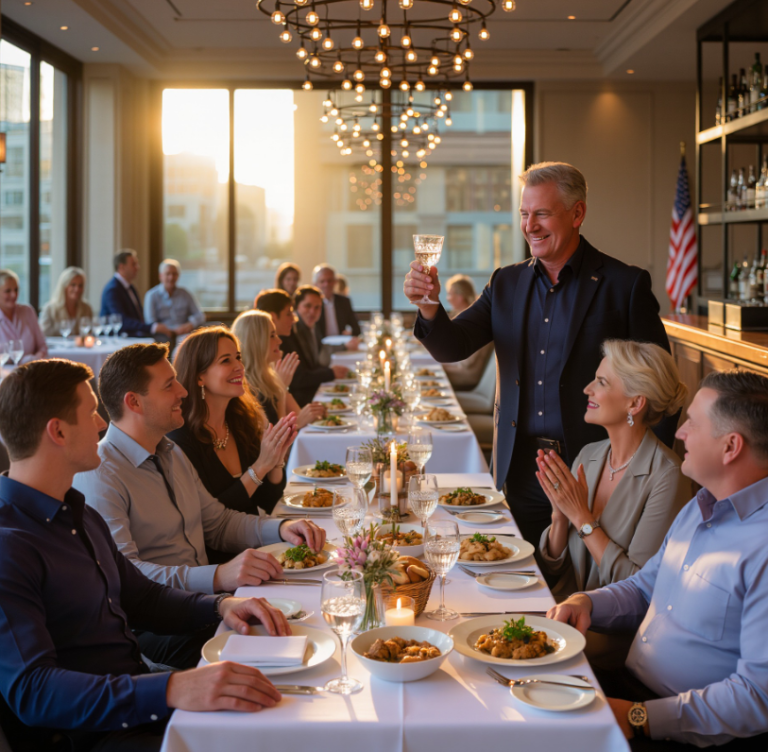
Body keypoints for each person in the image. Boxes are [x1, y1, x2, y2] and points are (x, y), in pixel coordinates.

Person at [0, 358, 291, 752]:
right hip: (95, 733)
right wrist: (171, 687)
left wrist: (219, 606)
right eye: (91, 414)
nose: (103, 424)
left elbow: (142, 596)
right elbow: (33, 692)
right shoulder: (10, 544)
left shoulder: (77, 510)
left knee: (280, 692)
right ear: (58, 432)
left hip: (138, 690)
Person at [403, 161, 673, 547]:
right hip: (519, 469)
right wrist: (428, 306)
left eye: (542, 214)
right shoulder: (506, 282)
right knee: (521, 579)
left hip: (596, 470)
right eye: (524, 214)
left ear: (577, 213)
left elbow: (662, 386)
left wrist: (649, 475)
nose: (530, 226)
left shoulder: (624, 285)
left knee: (591, 588)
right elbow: (453, 346)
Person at [549, 370, 768, 750]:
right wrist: (587, 602)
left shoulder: (761, 547)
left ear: (730, 446)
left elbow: (756, 698)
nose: (680, 432)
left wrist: (640, 718)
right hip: (628, 690)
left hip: (680, 731)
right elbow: (644, 587)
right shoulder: (700, 507)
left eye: (693, 424)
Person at [74, 343, 325, 669]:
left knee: (303, 620)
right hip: (156, 626)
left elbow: (217, 523)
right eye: (169, 385)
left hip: (207, 605)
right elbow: (130, 576)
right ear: (134, 402)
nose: (182, 391)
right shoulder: (101, 474)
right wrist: (218, 576)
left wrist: (280, 528)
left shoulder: (169, 452)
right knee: (277, 650)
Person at [536, 340, 690, 602]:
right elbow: (554, 566)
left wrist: (582, 518)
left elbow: (637, 589)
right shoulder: (589, 455)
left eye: (601, 382)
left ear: (635, 403)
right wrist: (560, 516)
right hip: (565, 609)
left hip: (612, 630)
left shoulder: (668, 476)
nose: (587, 389)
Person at [169, 326, 291, 527]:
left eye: (238, 357)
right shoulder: (181, 439)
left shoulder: (242, 421)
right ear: (200, 376)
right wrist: (260, 467)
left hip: (252, 538)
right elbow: (211, 521)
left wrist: (276, 459)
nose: (239, 367)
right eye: (226, 360)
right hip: (218, 555)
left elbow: (269, 502)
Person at [233, 308, 324, 428]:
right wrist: (296, 426)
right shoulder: (246, 388)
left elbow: (299, 416)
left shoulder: (271, 376)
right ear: (256, 342)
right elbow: (274, 442)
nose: (279, 341)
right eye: (272, 335)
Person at [279, 285, 349, 407]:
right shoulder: (290, 332)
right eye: (308, 306)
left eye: (317, 308)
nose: (313, 312)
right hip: (300, 400)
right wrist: (330, 373)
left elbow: (314, 364)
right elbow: (298, 378)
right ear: (296, 307)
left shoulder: (314, 327)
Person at [100, 249, 172, 339]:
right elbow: (122, 321)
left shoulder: (130, 287)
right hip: (119, 339)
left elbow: (138, 317)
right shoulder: (112, 289)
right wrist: (152, 327)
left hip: (133, 336)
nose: (138, 267)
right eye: (133, 264)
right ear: (121, 267)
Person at [442, 274, 494, 391]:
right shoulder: (463, 317)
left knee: (423, 376)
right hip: (461, 369)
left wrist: (441, 364)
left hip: (468, 375)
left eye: (450, 294)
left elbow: (467, 362)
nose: (447, 298)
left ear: (460, 297)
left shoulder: (475, 321)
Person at [144, 258, 206, 336]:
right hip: (163, 336)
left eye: (174, 274)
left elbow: (200, 315)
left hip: (185, 333)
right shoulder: (151, 295)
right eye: (168, 274)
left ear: (178, 276)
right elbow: (151, 323)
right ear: (161, 276)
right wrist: (169, 331)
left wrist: (190, 324)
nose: (171, 277)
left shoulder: (185, 294)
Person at [0, 269, 47, 364]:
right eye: (8, 291)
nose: (14, 295)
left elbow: (42, 346)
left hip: (30, 372)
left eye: (16, 290)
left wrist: (35, 361)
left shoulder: (28, 311)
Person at [39, 266, 94, 337]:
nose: (77, 289)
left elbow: (90, 332)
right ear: (64, 286)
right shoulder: (49, 309)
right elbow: (43, 334)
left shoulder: (86, 308)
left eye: (80, 285)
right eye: (73, 285)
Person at [312, 263, 361, 340]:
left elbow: (357, 329)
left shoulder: (344, 302)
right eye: (322, 281)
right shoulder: (312, 305)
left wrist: (350, 333)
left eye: (329, 280)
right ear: (315, 284)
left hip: (342, 344)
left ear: (335, 282)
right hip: (321, 347)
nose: (326, 284)